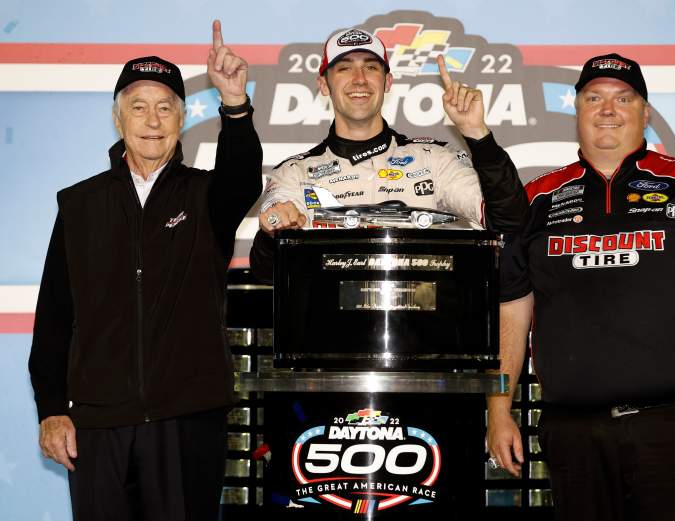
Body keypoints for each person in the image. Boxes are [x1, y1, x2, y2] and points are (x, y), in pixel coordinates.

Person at [487, 53, 675, 521]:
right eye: (594, 98)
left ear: (645, 112)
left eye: (623, 98)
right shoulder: (536, 199)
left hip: (674, 426)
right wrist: (499, 410)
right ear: (577, 110)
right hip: (573, 431)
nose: (607, 109)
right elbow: (513, 313)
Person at [28, 21, 262, 521]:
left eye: (165, 108)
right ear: (118, 119)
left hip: (188, 421)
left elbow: (242, 175)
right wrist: (51, 409)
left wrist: (235, 103)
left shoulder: (206, 197)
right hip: (97, 425)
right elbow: (53, 317)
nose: (152, 120)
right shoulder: (79, 204)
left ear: (181, 120)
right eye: (138, 107)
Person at [249, 28, 526, 281]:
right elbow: (266, 272)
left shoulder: (433, 158)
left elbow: (509, 222)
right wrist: (274, 231)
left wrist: (478, 135)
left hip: (428, 328)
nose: (359, 80)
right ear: (324, 84)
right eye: (344, 68)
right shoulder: (294, 173)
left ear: (388, 81)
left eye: (371, 67)